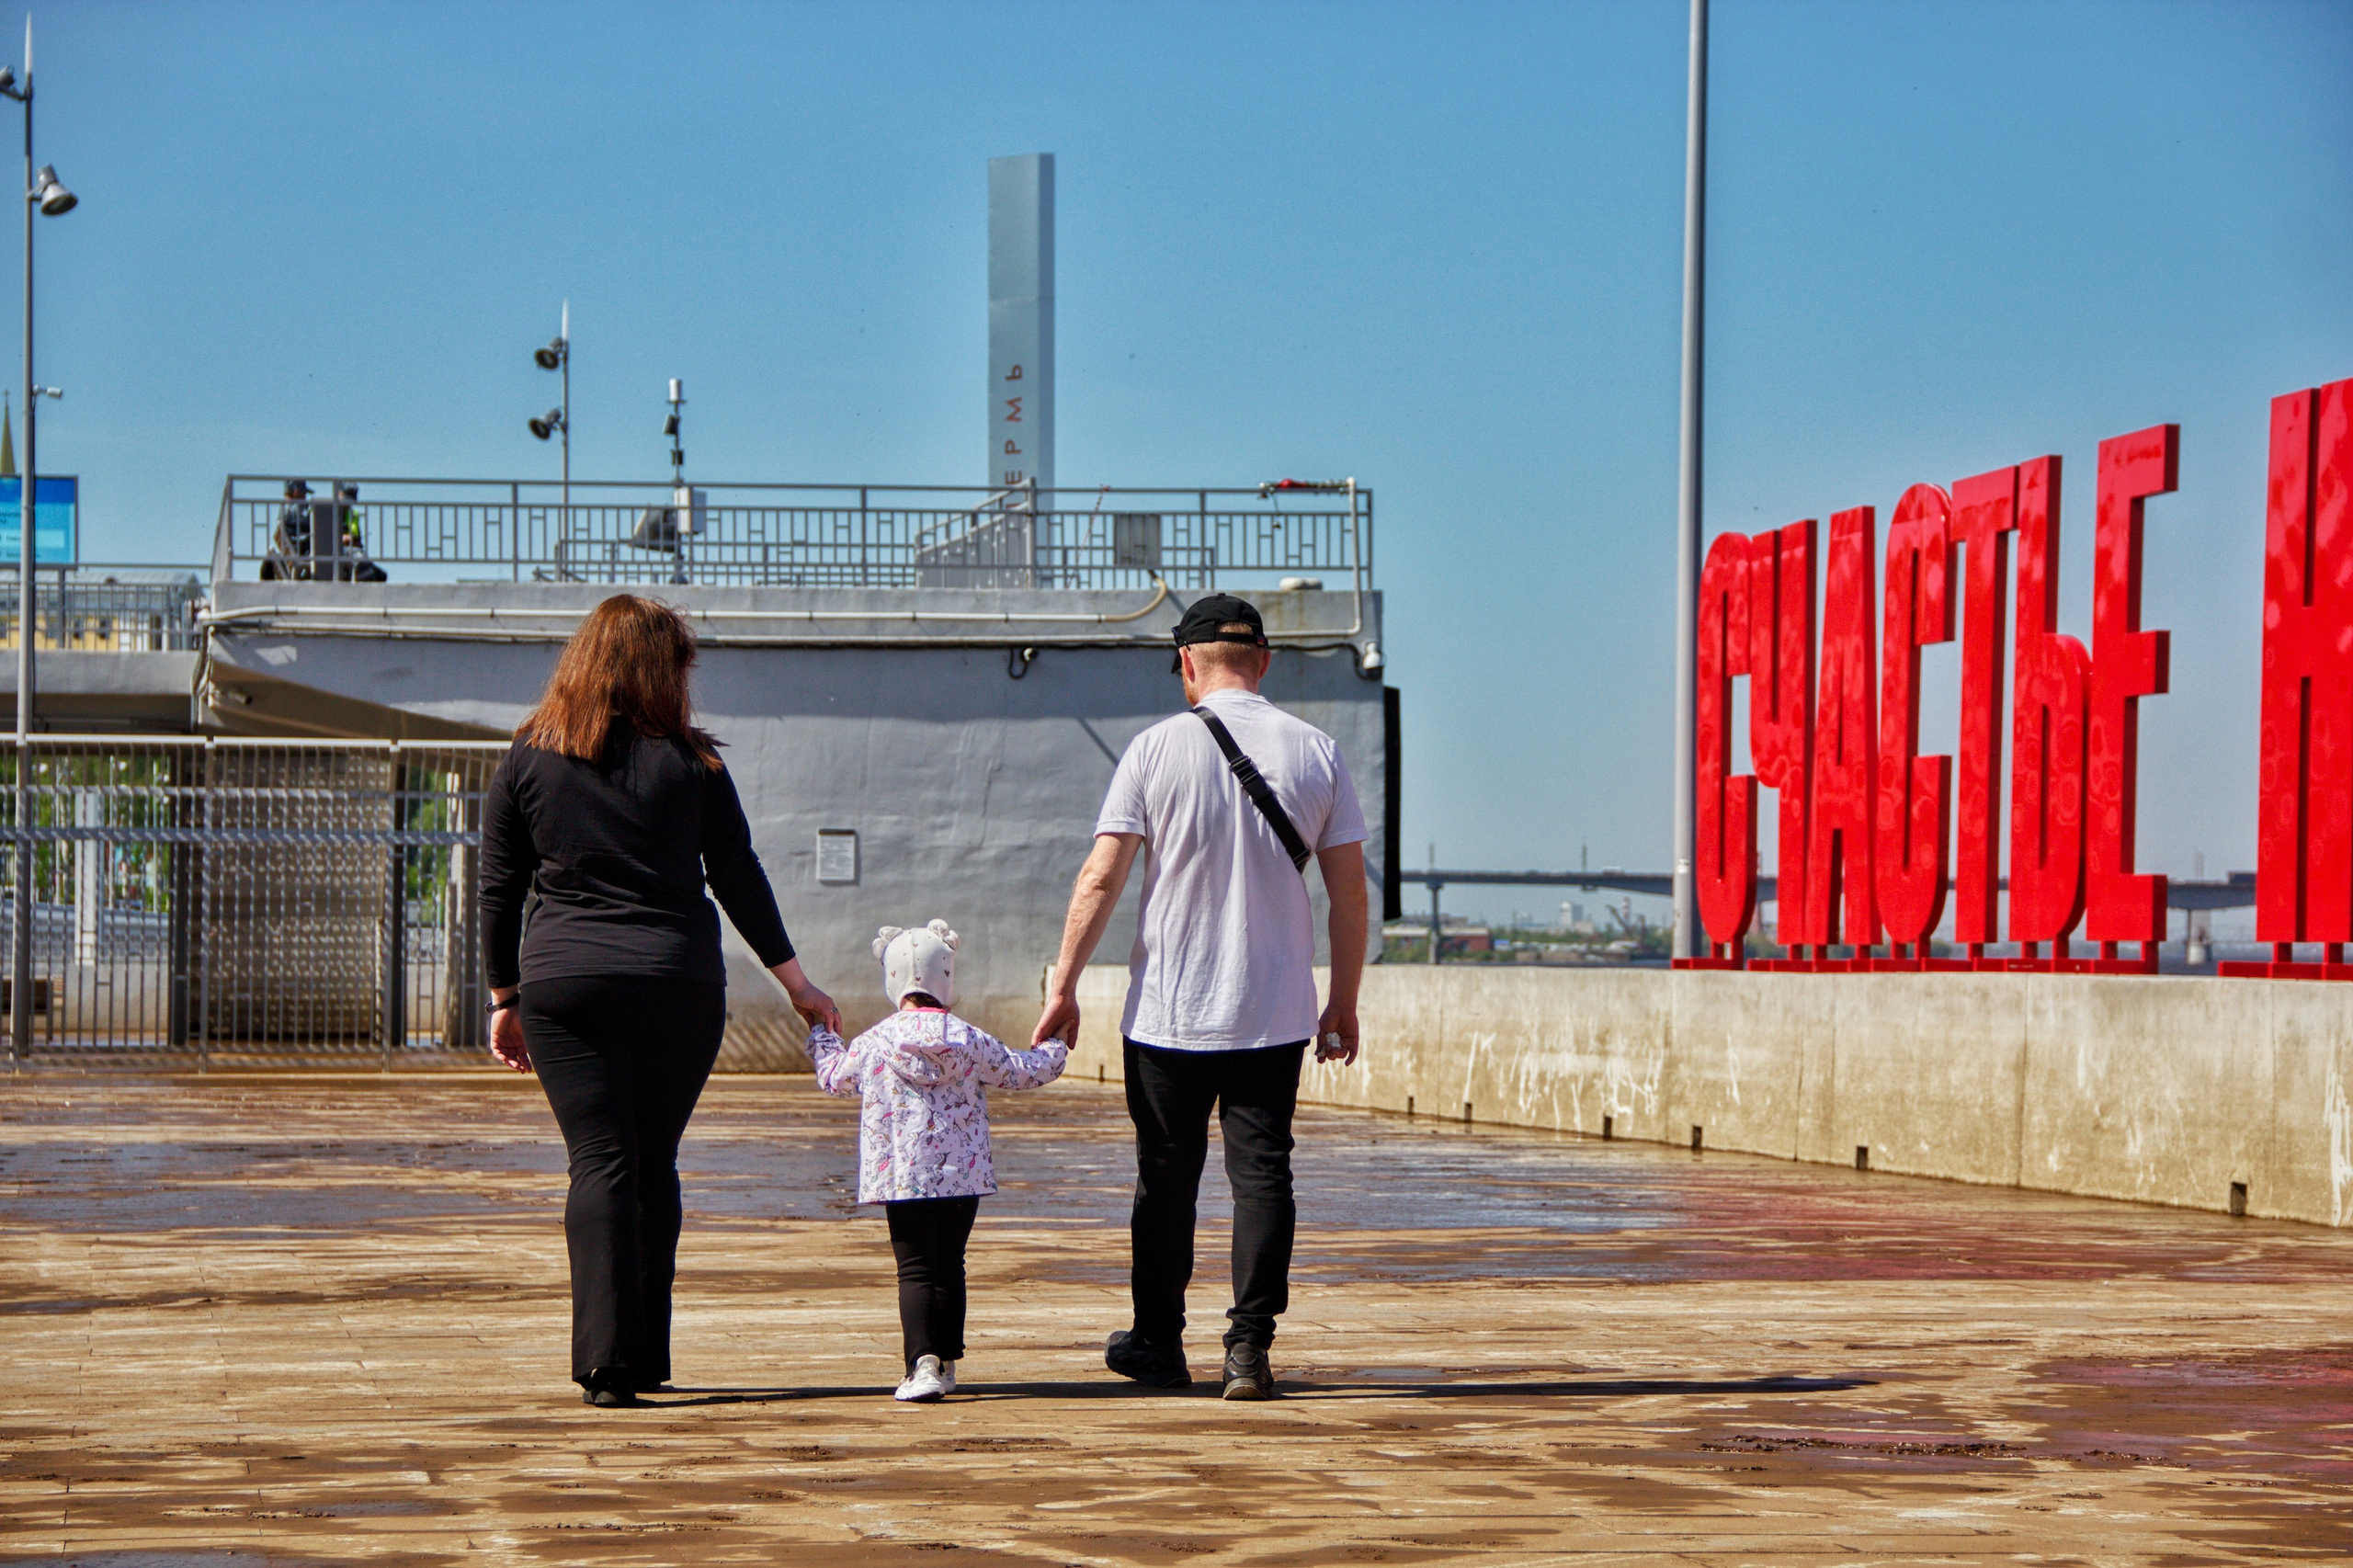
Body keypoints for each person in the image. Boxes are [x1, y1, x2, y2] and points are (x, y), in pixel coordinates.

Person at [480, 593, 840, 1408]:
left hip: (567, 985)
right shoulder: (695, 765)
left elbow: (500, 888)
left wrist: (505, 994)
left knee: (600, 1161)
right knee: (653, 1163)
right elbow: (738, 875)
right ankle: (643, 1355)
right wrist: (797, 986)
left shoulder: (529, 756)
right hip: (677, 985)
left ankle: (607, 1362)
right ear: (661, 671)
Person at [1032, 592, 1368, 1401]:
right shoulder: (1317, 749)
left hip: (1170, 1013)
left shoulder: (1154, 749)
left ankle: (1158, 1343)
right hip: (1274, 1010)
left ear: (1188, 663)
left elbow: (1102, 875)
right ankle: (1248, 1350)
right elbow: (1349, 895)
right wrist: (1343, 1002)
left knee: (1166, 1178)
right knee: (1264, 1176)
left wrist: (1064, 984)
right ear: (1264, 663)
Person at [806, 920, 1068, 1403]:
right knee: (950, 1264)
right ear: (945, 976)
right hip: (962, 1175)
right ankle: (946, 1363)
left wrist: (822, 1035)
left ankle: (921, 1365)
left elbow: (835, 1077)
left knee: (916, 1269)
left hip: (901, 1174)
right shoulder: (968, 1038)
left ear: (893, 979)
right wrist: (1057, 1043)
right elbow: (1023, 1071)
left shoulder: (875, 1041)